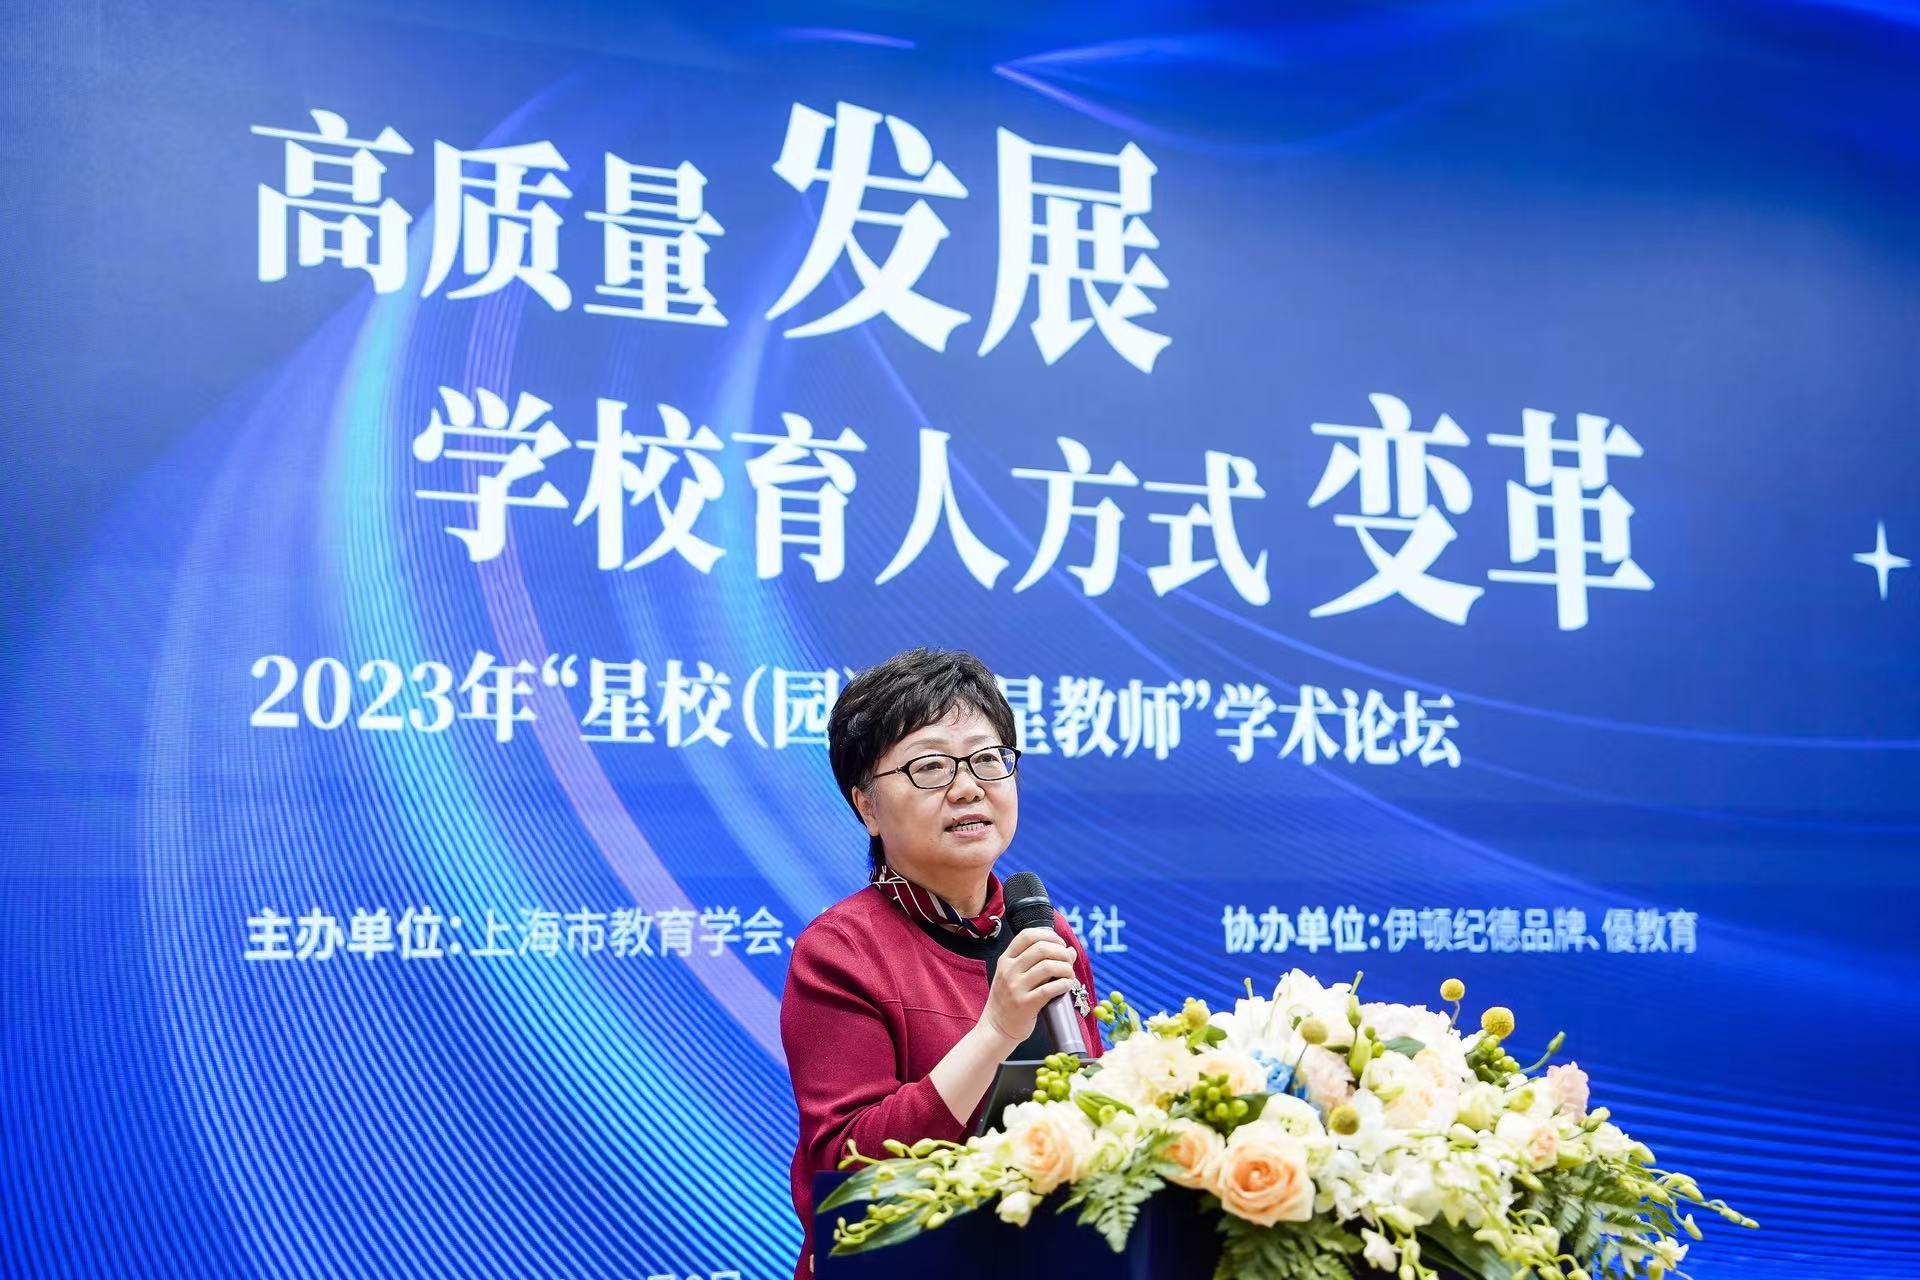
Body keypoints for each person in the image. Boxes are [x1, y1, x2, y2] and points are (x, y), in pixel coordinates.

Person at [780, 648, 1104, 1279]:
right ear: (868, 808)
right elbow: (847, 1170)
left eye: (987, 759)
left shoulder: (1042, 930)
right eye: (930, 766)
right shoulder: (840, 950)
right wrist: (994, 1032)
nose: (968, 787)